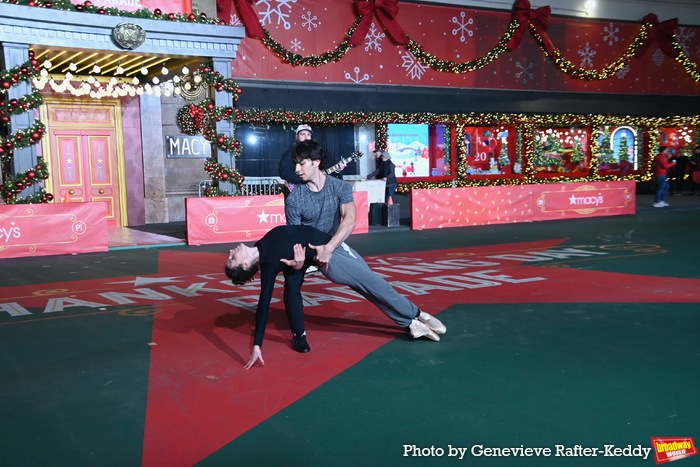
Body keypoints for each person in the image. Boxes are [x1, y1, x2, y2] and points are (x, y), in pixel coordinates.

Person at [225, 224, 446, 369]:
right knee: (376, 285)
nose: (230, 253)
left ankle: (408, 323)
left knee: (371, 289)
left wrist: (300, 264)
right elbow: (263, 304)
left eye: (230, 257)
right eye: (232, 260)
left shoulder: (264, 243)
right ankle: (418, 314)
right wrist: (257, 345)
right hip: (333, 261)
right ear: (245, 265)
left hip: (337, 247)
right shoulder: (270, 264)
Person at [278, 124, 345, 197]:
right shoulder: (289, 154)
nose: (306, 137)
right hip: (295, 194)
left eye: (308, 134)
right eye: (302, 134)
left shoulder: (316, 153)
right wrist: (304, 180)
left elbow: (323, 171)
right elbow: (284, 172)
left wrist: (336, 170)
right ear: (296, 136)